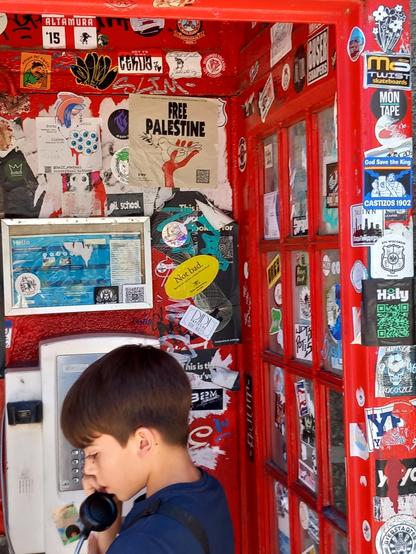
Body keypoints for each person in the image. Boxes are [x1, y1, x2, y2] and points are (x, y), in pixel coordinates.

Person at [60, 344, 234, 554]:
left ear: (143, 441)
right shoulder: (207, 492)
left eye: (94, 454)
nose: (89, 470)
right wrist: (107, 525)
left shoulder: (142, 542)